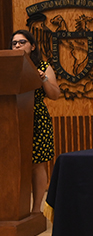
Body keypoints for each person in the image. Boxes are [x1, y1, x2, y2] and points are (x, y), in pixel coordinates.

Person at [11, 30, 61, 213]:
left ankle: (36, 210)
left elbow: (55, 95)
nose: (17, 45)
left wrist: (44, 79)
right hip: (12, 119)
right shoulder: (7, 66)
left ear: (32, 46)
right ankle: (16, 210)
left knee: (37, 163)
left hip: (37, 118)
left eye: (22, 42)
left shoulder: (43, 66)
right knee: (15, 164)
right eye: (14, 43)